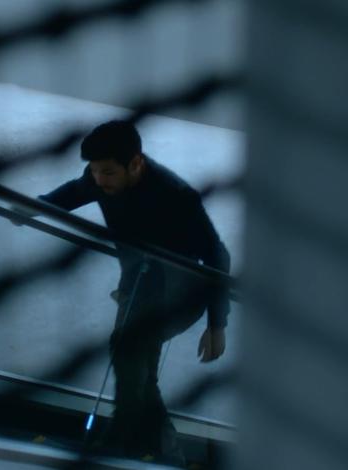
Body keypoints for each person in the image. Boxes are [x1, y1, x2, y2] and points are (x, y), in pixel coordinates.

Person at [35, 120, 231, 462]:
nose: (98, 180)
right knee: (139, 370)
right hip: (138, 288)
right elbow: (74, 192)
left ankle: (122, 444)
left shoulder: (177, 196)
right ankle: (162, 454)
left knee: (128, 351)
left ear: (136, 163)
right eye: (93, 171)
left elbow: (217, 254)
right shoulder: (101, 179)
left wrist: (217, 323)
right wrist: (38, 206)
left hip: (179, 294)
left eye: (107, 172)